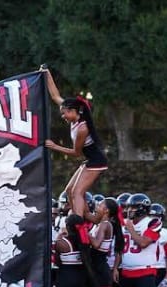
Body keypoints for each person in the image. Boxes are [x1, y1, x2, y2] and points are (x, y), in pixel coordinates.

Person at [41, 68, 107, 223]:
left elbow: (76, 153)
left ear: (74, 111)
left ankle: (77, 221)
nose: (63, 116)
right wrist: (46, 73)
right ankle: (87, 218)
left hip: (97, 161)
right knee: (69, 190)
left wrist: (54, 146)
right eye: (62, 113)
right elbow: (55, 95)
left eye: (65, 114)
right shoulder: (73, 117)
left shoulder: (82, 128)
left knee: (77, 192)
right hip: (90, 160)